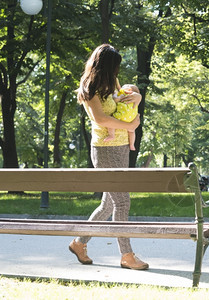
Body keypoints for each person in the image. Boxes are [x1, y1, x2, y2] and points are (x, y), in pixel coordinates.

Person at [69, 44, 148, 270]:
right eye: (115, 67)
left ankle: (79, 243)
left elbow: (126, 96)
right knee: (122, 201)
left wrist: (137, 97)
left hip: (121, 145)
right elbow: (101, 119)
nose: (117, 72)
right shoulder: (89, 88)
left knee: (107, 204)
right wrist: (130, 124)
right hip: (105, 149)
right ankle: (127, 255)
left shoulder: (111, 81)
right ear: (105, 66)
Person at [103, 84, 139, 151]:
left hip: (122, 114)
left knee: (110, 122)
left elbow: (116, 99)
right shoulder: (134, 99)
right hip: (132, 118)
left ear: (129, 90)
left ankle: (111, 135)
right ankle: (132, 144)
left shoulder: (125, 94)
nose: (121, 89)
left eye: (123, 87)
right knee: (132, 131)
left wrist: (114, 96)